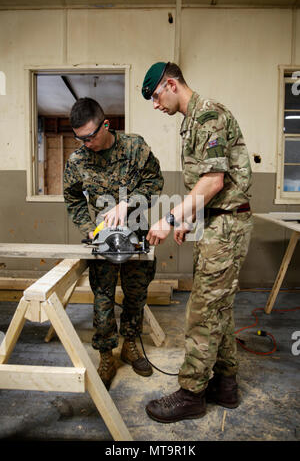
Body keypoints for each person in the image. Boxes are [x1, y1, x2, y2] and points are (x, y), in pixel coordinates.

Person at [141, 62, 253, 423]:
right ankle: (225, 384)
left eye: (157, 96)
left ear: (171, 84)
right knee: (219, 307)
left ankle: (191, 394)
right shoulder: (191, 122)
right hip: (216, 224)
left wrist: (170, 217)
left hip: (227, 228)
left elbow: (214, 182)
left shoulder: (208, 116)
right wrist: (190, 219)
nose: (156, 105)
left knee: (202, 311)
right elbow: (205, 184)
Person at [63, 97, 164, 390]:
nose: (85, 143)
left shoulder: (135, 147)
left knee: (136, 294)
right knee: (103, 299)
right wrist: (88, 228)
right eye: (79, 138)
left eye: (90, 136)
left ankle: (130, 345)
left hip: (136, 234)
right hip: (103, 239)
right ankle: (106, 355)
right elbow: (71, 197)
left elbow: (154, 183)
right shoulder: (77, 161)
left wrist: (127, 203)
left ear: (105, 125)